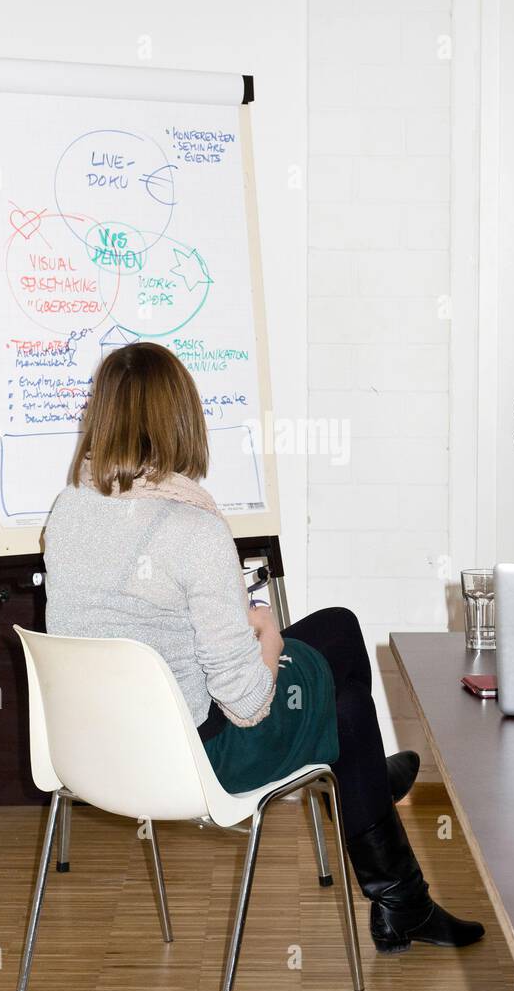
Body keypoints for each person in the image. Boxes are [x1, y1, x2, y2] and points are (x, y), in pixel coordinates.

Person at [43, 342, 484, 954]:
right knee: (348, 709)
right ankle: (386, 858)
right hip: (200, 759)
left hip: (100, 752)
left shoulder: (66, 513)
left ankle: (372, 807)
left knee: (337, 625)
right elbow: (248, 704)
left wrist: (221, 623)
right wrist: (267, 634)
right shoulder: (192, 532)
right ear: (181, 418)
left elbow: (135, 626)